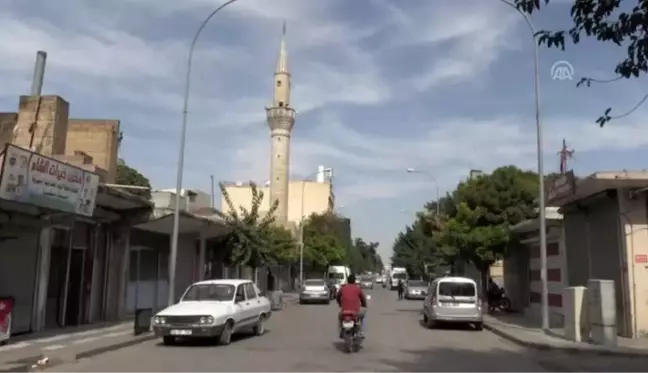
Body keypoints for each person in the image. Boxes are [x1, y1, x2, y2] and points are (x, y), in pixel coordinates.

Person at [336, 274, 367, 338]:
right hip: (355, 313)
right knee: (363, 316)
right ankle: (361, 331)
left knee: (339, 317)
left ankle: (341, 331)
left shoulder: (342, 288)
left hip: (344, 312)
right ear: (354, 281)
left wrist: (340, 303)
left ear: (347, 280)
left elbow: (338, 297)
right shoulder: (357, 289)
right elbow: (363, 298)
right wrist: (364, 304)